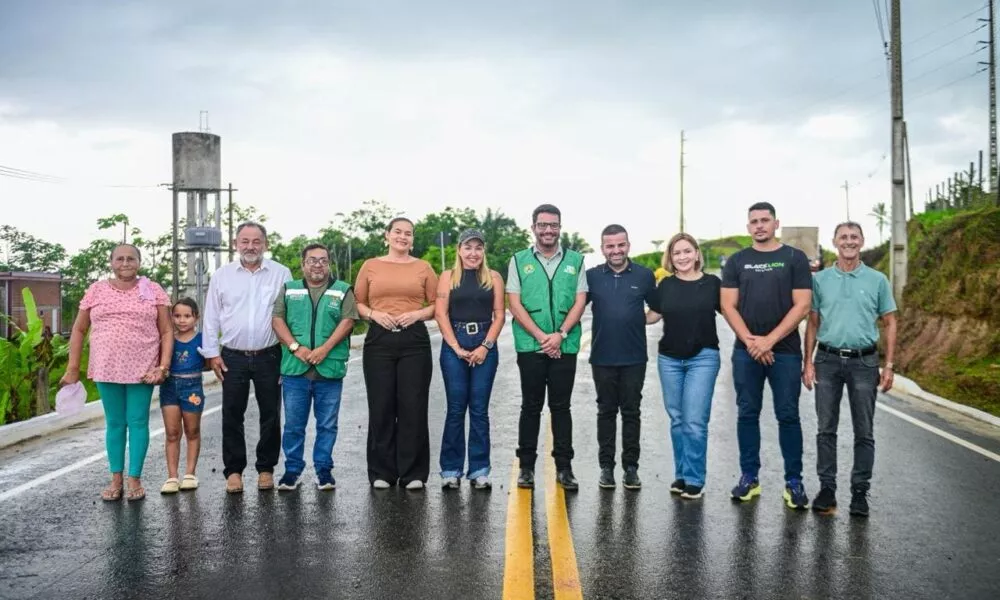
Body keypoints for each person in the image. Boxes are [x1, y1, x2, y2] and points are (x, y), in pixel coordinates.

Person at [61, 244, 172, 502]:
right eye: (119, 258)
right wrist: (72, 368)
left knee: (138, 421)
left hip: (143, 368)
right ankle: (116, 478)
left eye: (131, 258)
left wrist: (163, 366)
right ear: (111, 262)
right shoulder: (96, 290)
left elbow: (167, 330)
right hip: (106, 366)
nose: (125, 263)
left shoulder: (152, 290)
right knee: (115, 423)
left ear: (139, 262)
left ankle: (134, 478)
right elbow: (78, 330)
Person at [721, 202, 813, 509]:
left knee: (788, 415)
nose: (759, 225)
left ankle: (794, 481)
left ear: (776, 224)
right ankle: (749, 477)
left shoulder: (794, 258)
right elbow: (728, 306)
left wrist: (769, 341)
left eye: (765, 220)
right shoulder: (737, 261)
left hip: (784, 353)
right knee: (747, 413)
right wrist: (752, 343)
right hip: (746, 352)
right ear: (748, 227)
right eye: (754, 221)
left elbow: (802, 305)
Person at [803, 221, 897, 517]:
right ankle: (827, 488)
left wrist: (889, 365)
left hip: (864, 362)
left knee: (864, 431)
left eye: (854, 237)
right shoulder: (820, 280)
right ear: (834, 242)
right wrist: (808, 361)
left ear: (862, 241)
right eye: (843, 237)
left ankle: (859, 492)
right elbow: (813, 323)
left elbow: (890, 321)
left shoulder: (877, 280)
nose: (849, 241)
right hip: (827, 360)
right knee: (825, 429)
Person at [202, 222, 293, 494]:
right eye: (245, 241)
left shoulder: (281, 273)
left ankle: (266, 469)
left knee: (271, 414)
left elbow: (290, 314)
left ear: (265, 244)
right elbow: (211, 316)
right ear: (235, 244)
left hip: (270, 355)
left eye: (256, 241)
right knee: (232, 414)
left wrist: (289, 353)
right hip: (233, 357)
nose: (250, 246)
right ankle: (234, 472)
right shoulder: (222, 276)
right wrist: (212, 354)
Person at [507, 204, 588, 491]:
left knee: (561, 407)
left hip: (565, 345)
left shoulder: (576, 260)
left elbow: (580, 300)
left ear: (560, 227)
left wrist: (560, 335)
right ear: (533, 228)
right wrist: (543, 337)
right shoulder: (518, 260)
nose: (548, 230)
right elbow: (514, 303)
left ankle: (564, 468)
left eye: (553, 225)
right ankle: (526, 467)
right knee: (531, 406)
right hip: (531, 345)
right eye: (542, 225)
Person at [354, 217, 438, 490]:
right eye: (398, 232)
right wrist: (374, 314)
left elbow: (437, 305)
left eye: (408, 234)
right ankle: (382, 471)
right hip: (379, 339)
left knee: (413, 405)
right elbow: (357, 303)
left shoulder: (423, 267)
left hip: (414, 341)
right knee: (381, 405)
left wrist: (417, 314)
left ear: (413, 239)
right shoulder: (370, 266)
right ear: (387, 235)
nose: (403, 237)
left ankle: (413, 473)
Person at [271, 243, 358, 491]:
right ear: (303, 264)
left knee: (327, 424)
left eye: (323, 260)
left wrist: (324, 349)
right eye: (312, 260)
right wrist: (295, 347)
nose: (318, 265)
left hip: (329, 370)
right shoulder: (289, 289)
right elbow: (277, 320)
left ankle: (324, 470)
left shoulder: (342, 290)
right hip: (294, 370)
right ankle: (292, 471)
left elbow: (348, 321)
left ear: (328, 264)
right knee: (293, 425)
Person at [646, 233, 722, 499]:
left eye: (687, 251)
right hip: (669, 360)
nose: (682, 257)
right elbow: (652, 316)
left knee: (694, 421)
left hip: (703, 358)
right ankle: (682, 474)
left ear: (697, 253)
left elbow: (733, 311)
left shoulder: (712, 284)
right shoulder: (666, 285)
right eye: (676, 253)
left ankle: (694, 478)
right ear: (670, 257)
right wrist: (621, 313)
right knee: (678, 420)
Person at [585, 224, 656, 490]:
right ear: (602, 248)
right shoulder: (592, 276)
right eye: (610, 246)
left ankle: (631, 468)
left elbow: (658, 308)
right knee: (605, 412)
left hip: (634, 357)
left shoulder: (644, 275)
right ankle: (606, 468)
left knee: (631, 412)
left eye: (620, 245)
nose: (616, 250)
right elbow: (576, 306)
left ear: (628, 245)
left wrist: (637, 321)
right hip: (602, 357)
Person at [434, 229, 505, 490]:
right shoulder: (448, 277)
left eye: (478, 248)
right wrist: (456, 347)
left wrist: (486, 346)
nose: (473, 253)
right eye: (468, 247)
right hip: (455, 342)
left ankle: (479, 470)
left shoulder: (493, 277)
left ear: (483, 251)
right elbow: (440, 313)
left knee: (479, 409)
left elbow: (500, 315)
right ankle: (451, 470)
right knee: (455, 409)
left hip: (485, 343)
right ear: (459, 250)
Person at [159, 297, 207, 494]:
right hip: (169, 387)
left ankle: (190, 474)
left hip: (192, 387)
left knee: (192, 431)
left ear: (196, 317)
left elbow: (210, 362)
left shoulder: (202, 339)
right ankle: (172, 476)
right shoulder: (167, 339)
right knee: (172, 433)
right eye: (177, 316)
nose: (182, 320)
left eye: (187, 316)